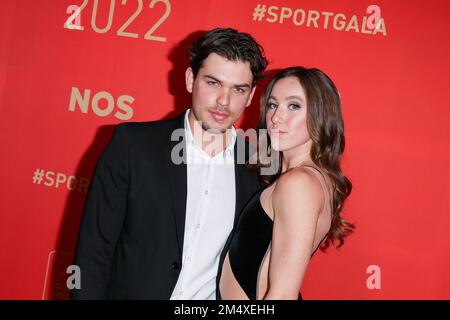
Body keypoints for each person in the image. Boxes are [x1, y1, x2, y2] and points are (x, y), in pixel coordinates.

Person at [71, 28, 268, 299]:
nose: (224, 101)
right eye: (213, 83)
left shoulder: (259, 168)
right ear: (190, 79)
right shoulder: (133, 145)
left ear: (251, 95)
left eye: (238, 89)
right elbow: (93, 250)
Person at [217, 66, 355, 300]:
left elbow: (282, 295)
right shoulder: (308, 179)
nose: (276, 117)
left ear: (321, 114)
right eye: (272, 105)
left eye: (294, 106)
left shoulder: (299, 183)